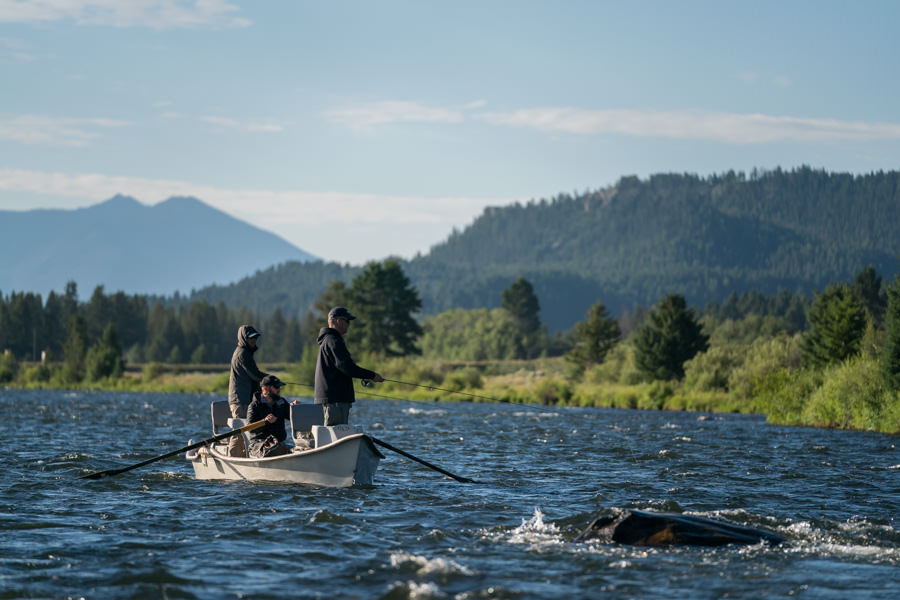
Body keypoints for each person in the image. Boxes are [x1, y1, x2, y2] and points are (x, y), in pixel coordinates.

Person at [314, 306, 384, 426]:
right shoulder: (333, 341)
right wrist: (372, 375)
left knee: (335, 432)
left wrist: (347, 397)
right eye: (347, 321)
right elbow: (347, 367)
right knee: (335, 432)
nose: (349, 324)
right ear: (338, 321)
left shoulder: (329, 340)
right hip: (336, 399)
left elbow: (342, 369)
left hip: (337, 398)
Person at [227, 325, 267, 456]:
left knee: (245, 432)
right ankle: (232, 459)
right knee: (239, 433)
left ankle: (244, 458)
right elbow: (254, 374)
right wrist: (270, 380)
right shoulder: (243, 354)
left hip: (244, 400)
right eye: (251, 338)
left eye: (255, 338)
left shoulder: (245, 353)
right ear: (244, 338)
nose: (254, 340)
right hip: (241, 401)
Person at [246, 375, 294, 458]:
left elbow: (292, 417)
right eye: (276, 387)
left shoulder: (282, 402)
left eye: (279, 387)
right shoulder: (253, 406)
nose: (279, 389)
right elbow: (251, 429)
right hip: (258, 444)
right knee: (272, 451)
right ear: (265, 389)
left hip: (279, 443)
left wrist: (295, 409)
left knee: (299, 450)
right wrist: (265, 421)